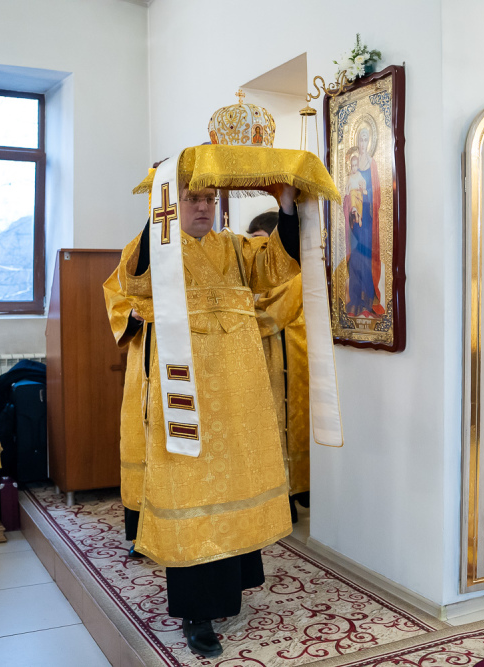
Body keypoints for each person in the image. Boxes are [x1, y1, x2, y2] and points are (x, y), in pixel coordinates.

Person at [105, 176, 302, 657]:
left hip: (235, 395)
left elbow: (278, 267)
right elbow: (131, 283)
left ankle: (231, 586)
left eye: (208, 199)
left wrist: (286, 206)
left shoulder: (234, 247)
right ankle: (197, 613)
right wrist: (159, 203)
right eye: (192, 198)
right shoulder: (156, 247)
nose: (202, 207)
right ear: (172, 203)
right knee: (190, 492)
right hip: (184, 395)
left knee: (234, 483)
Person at [248, 211, 311, 522]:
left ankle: (292, 494)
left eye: (263, 245)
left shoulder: (295, 275)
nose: (257, 254)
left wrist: (236, 315)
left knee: (288, 427)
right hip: (263, 358)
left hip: (292, 358)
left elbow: (272, 315)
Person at [343, 125, 384, 318]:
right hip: (354, 221)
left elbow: (377, 195)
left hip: (367, 220)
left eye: (366, 139)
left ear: (369, 142)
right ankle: (354, 301)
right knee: (355, 257)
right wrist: (350, 199)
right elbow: (346, 192)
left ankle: (367, 301)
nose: (363, 143)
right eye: (360, 139)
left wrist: (364, 193)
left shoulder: (372, 164)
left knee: (366, 257)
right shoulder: (353, 163)